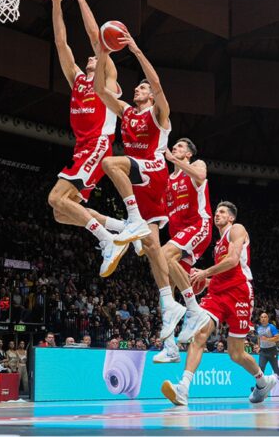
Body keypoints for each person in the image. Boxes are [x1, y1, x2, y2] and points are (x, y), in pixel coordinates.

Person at [92, 29, 186, 342]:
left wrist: (134, 50)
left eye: (142, 87)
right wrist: (103, 52)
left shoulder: (159, 114)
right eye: (138, 86)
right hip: (138, 181)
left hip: (154, 172)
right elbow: (102, 92)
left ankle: (130, 220)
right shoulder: (127, 112)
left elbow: (157, 84)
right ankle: (169, 303)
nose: (139, 88)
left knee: (109, 163)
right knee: (152, 247)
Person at [43, 0, 131, 277]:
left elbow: (98, 40)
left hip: (97, 146)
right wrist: (56, 0)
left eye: (96, 57)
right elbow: (60, 41)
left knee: (54, 197)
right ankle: (121, 227)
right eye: (91, 58)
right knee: (60, 213)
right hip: (82, 148)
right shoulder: (77, 79)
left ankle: (109, 241)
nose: (90, 58)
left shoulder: (107, 82)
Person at [160, 201, 278, 406]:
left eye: (222, 212)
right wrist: (205, 281)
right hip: (217, 293)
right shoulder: (217, 246)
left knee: (236, 353)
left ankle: (262, 382)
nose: (217, 215)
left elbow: (233, 261)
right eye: (215, 212)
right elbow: (222, 273)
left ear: (231, 217)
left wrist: (205, 272)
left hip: (240, 291)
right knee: (200, 333)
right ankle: (183, 389)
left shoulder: (237, 229)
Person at [151, 138, 213, 362]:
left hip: (199, 226)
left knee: (164, 255)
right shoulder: (168, 181)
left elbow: (201, 177)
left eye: (179, 147)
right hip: (179, 236)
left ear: (188, 154)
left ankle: (194, 310)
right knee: (165, 294)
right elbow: (160, 213)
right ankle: (170, 348)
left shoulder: (197, 166)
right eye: (174, 146)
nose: (175, 148)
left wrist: (172, 158)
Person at [255, 312, 279, 390]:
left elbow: (277, 338)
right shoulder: (259, 328)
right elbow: (259, 338)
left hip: (272, 351)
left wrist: (267, 339)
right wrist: (258, 346)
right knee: (260, 370)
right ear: (260, 319)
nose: (263, 319)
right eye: (261, 317)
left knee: (276, 370)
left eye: (265, 317)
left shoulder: (272, 327)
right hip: (263, 352)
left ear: (268, 319)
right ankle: (258, 387)